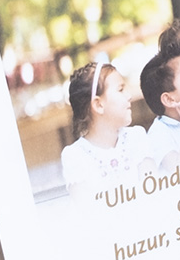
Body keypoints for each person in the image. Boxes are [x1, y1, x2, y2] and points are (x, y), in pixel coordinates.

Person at [60, 61, 155, 196]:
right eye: (120, 90)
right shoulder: (75, 156)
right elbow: (86, 206)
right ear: (98, 105)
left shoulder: (137, 138)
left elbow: (153, 194)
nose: (129, 96)